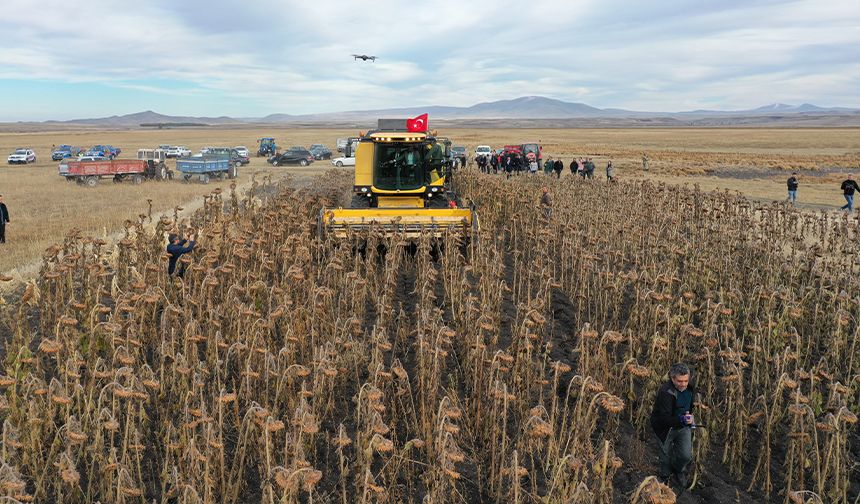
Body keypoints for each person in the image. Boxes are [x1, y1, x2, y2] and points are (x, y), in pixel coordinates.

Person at [651, 363, 697, 488]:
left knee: (685, 455)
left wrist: (689, 417)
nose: (683, 384)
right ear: (672, 379)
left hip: (682, 426)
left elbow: (689, 405)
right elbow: (664, 419)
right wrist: (683, 420)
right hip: (665, 428)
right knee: (665, 457)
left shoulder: (690, 388)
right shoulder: (666, 392)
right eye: (680, 381)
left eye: (686, 381)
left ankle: (678, 470)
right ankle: (665, 476)